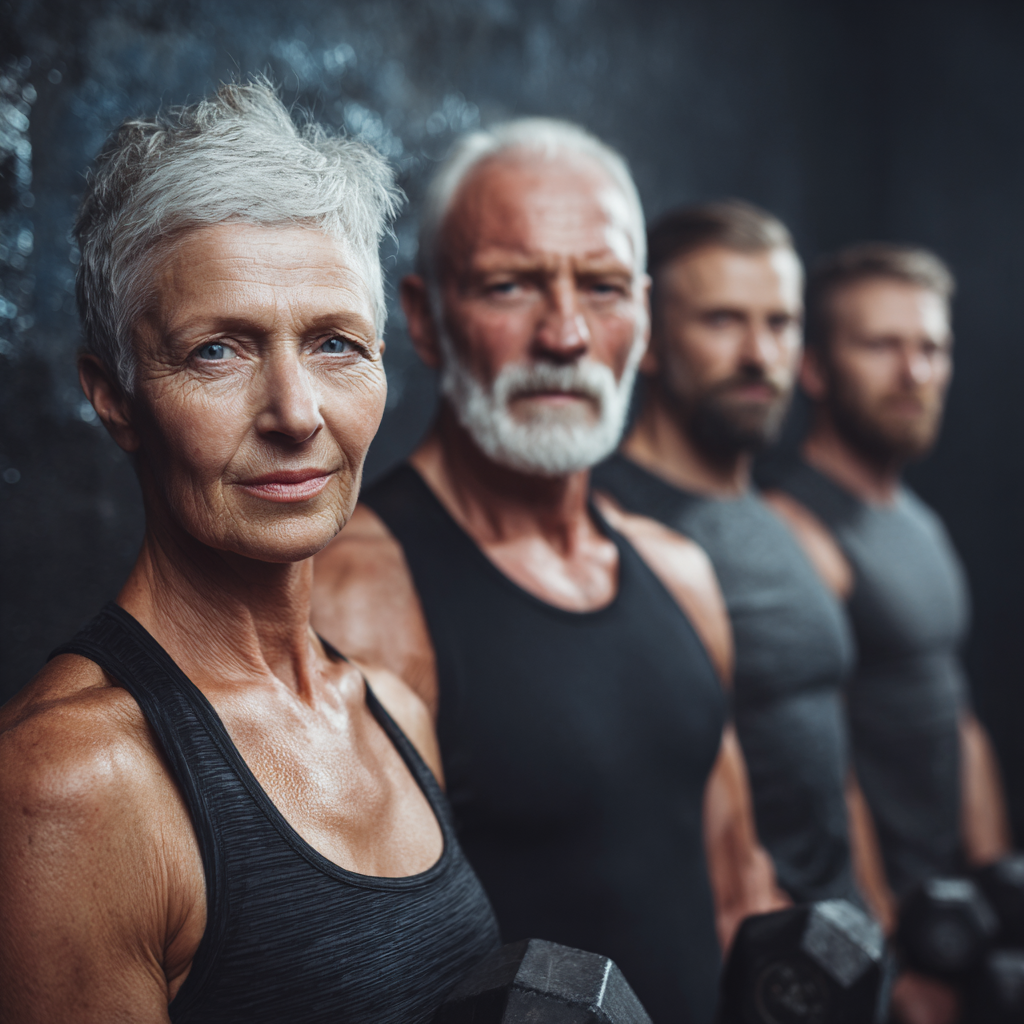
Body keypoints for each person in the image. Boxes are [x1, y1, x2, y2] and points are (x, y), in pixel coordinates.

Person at [0, 83, 501, 1024]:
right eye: (217, 352)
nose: (296, 414)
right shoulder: (68, 785)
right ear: (114, 395)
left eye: (335, 345)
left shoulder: (392, 709)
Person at [312, 120, 785, 1024]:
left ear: (641, 316)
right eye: (510, 286)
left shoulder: (679, 571)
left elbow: (740, 884)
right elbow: (361, 988)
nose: (566, 334)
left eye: (602, 288)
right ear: (424, 317)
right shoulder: (362, 599)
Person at [761, 242, 1011, 1024]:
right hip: (886, 921)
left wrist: (997, 894)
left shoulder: (921, 525)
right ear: (815, 369)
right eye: (882, 345)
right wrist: (890, 957)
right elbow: (822, 763)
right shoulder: (795, 530)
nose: (915, 371)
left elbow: (959, 722)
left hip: (958, 920)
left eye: (932, 347)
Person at [592, 201, 865, 911]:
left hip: (847, 943)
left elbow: (834, 762)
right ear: (646, 340)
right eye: (723, 320)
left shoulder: (781, 521)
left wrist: (881, 919)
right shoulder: (608, 526)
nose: (758, 354)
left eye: (779, 324)